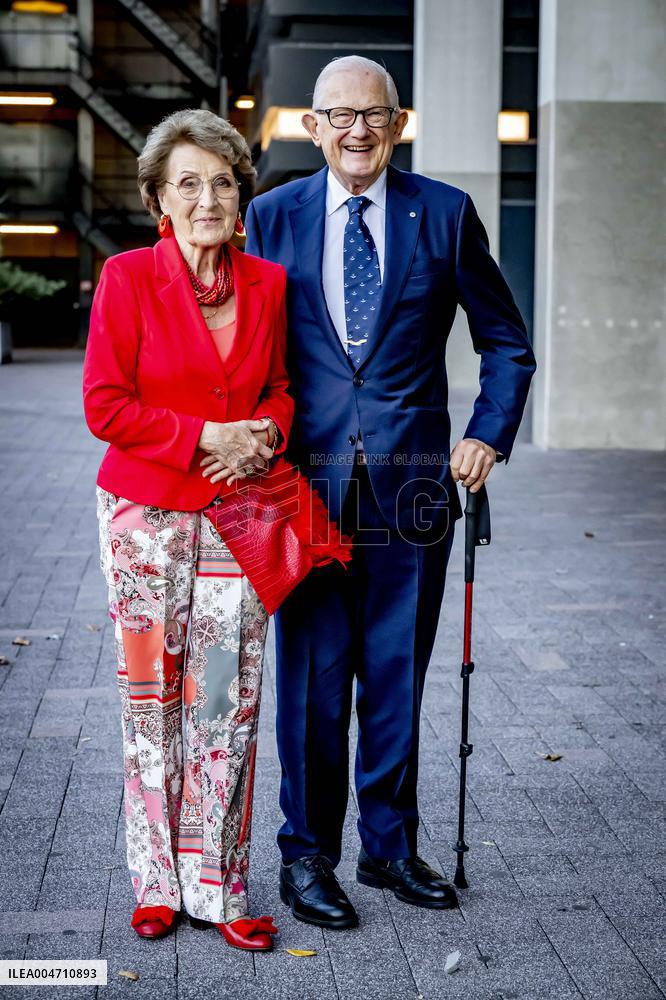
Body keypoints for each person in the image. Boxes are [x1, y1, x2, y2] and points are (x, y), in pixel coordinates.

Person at [245, 55, 537, 928]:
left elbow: (506, 342)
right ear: (313, 127)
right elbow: (242, 345)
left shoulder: (442, 213)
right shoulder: (272, 217)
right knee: (313, 683)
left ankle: (388, 849)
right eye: (339, 117)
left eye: (374, 117)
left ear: (398, 123)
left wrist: (486, 430)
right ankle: (306, 860)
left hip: (414, 488)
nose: (358, 132)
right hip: (307, 488)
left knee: (397, 673)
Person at [83, 109, 294, 950]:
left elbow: (280, 388)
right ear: (157, 200)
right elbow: (105, 405)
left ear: (241, 195)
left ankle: (220, 882)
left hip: (234, 524)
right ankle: (157, 881)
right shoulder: (128, 278)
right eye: (188, 183)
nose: (208, 197)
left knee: (221, 700)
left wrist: (266, 434)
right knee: (151, 703)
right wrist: (210, 435)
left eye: (222, 181)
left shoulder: (270, 285)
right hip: (143, 524)